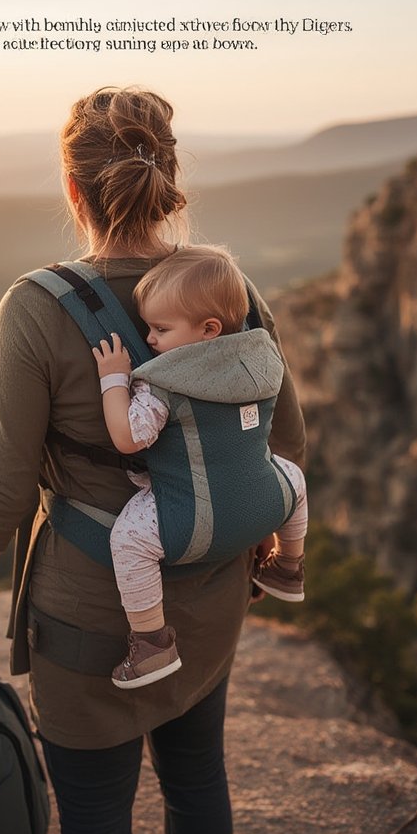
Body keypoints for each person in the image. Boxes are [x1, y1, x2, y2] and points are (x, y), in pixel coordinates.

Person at [0, 86, 306, 834]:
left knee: (95, 816)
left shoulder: (35, 308)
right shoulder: (227, 296)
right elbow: (284, 435)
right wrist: (249, 529)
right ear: (170, 183)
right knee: (199, 782)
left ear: (74, 190)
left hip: (91, 613)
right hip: (211, 589)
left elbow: (1, 486)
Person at [91, 244, 308, 690]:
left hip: (193, 518)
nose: (149, 339)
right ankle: (289, 566)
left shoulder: (164, 383)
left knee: (129, 539)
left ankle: (151, 643)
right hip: (266, 501)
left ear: (208, 329)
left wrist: (114, 379)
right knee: (295, 478)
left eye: (161, 328)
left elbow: (129, 437)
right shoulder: (264, 362)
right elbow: (290, 435)